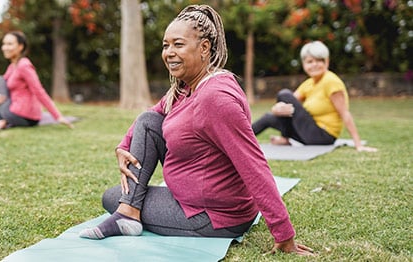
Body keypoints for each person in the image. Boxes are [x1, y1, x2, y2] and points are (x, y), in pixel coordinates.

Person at [79, 5, 314, 256]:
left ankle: (127, 213)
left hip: (213, 216)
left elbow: (253, 164)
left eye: (178, 44)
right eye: (165, 45)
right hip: (194, 200)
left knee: (112, 197)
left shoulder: (215, 98)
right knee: (148, 121)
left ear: (204, 48)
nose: (169, 52)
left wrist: (284, 235)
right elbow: (152, 114)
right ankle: (129, 212)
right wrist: (123, 146)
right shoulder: (187, 87)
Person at [252, 41, 377, 152]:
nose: (314, 65)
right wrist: (276, 109)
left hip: (323, 135)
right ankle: (238, 141)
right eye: (310, 62)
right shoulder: (309, 83)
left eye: (319, 60)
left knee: (284, 93)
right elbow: (288, 102)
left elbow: (345, 113)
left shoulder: (331, 81)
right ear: (304, 64)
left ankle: (285, 138)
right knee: (269, 117)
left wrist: (358, 145)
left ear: (326, 61)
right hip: (307, 132)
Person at [0, 31, 73, 129]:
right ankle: (3, 122)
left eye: (9, 44)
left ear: (20, 46)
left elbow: (39, 91)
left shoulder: (24, 65)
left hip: (23, 115)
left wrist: (58, 116)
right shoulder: (12, 66)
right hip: (14, 112)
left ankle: (2, 122)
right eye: (4, 44)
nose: (5, 47)